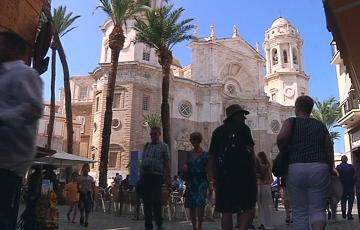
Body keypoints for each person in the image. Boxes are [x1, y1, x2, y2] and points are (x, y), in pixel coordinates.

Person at [0, 31, 43, 230]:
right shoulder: (5, 74)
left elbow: (33, 108)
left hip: (7, 163)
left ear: (11, 48)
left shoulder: (24, 73)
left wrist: (3, 118)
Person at [277, 95, 334, 230]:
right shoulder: (320, 125)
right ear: (310, 109)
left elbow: (281, 138)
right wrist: (330, 168)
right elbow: (328, 148)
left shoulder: (291, 122)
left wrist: (285, 150)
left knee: (300, 210)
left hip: (296, 167)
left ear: (297, 108)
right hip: (319, 167)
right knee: (318, 208)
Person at [208, 104, 257, 230]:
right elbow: (251, 151)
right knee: (249, 207)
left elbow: (212, 156)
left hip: (224, 176)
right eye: (242, 115)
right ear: (235, 116)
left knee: (226, 211)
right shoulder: (244, 129)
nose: (244, 118)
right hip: (244, 174)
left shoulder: (217, 131)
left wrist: (213, 176)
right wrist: (254, 169)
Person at [140, 127, 171, 230]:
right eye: (151, 134)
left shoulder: (164, 146)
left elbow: (167, 162)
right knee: (147, 202)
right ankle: (148, 226)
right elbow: (143, 159)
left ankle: (159, 224)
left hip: (157, 176)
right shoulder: (147, 146)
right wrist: (141, 173)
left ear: (159, 134)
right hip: (146, 176)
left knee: (156, 201)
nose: (152, 136)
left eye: (154, 134)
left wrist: (168, 177)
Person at [183, 132, 209, 230]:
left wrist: (210, 183)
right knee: (192, 204)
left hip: (201, 181)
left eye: (192, 139)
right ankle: (194, 226)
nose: (191, 141)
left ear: (198, 140)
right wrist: (185, 166)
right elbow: (186, 163)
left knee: (200, 203)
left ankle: (200, 225)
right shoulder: (189, 154)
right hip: (191, 181)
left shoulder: (206, 155)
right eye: (190, 140)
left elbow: (208, 169)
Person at [256, 151, 274, 229]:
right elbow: (271, 180)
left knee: (262, 207)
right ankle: (266, 223)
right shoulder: (267, 166)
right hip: (265, 187)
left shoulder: (260, 167)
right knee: (265, 207)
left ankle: (263, 223)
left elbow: (271, 179)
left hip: (261, 187)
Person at [336, 155, 355, 220]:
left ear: (341, 160)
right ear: (346, 160)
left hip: (342, 186)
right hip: (350, 186)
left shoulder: (338, 167)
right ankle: (349, 214)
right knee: (351, 200)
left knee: (343, 199)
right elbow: (354, 175)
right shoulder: (351, 167)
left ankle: (343, 209)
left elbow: (336, 176)